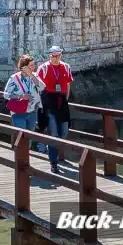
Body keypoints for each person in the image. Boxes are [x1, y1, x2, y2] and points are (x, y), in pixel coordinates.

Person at [37, 45, 73, 174]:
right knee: (53, 134)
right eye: (53, 56)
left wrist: (66, 100)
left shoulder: (66, 67)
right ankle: (54, 163)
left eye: (58, 56)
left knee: (63, 133)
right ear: (49, 56)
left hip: (62, 103)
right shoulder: (44, 68)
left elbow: (68, 85)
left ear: (61, 56)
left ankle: (49, 148)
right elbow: (39, 86)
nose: (55, 58)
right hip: (49, 103)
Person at [3, 54, 44, 133]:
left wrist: (31, 75)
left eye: (34, 65)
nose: (34, 67)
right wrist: (21, 96)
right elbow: (6, 94)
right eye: (31, 65)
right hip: (18, 111)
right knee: (21, 136)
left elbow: (42, 87)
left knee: (29, 136)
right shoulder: (14, 78)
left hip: (32, 111)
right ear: (24, 67)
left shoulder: (35, 76)